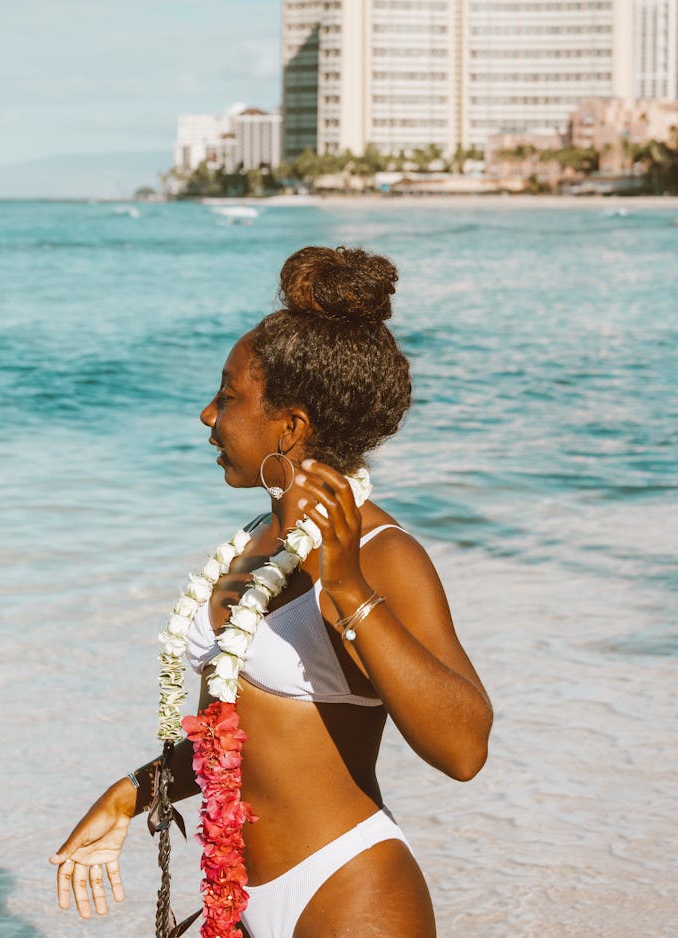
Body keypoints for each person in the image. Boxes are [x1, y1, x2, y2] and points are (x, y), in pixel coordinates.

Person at [50, 246, 493, 937]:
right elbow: (236, 738)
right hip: (236, 898)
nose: (207, 415)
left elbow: (465, 748)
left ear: (289, 427)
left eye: (227, 397)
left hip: (349, 893)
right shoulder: (257, 538)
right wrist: (130, 792)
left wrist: (345, 587)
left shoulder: (384, 555)